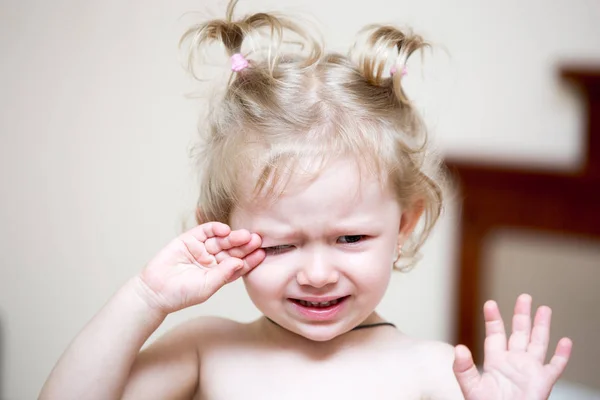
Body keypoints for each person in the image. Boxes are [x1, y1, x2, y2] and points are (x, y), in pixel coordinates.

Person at [39, 1, 573, 398]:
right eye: (278, 246)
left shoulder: (435, 372)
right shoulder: (205, 351)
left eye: (351, 238)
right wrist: (144, 299)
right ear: (219, 232)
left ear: (404, 224)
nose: (317, 273)